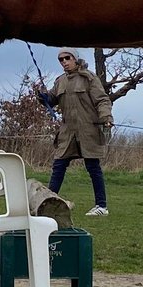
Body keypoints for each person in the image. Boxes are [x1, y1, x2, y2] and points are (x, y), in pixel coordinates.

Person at [36, 48, 114, 217]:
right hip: (67, 132)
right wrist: (43, 98)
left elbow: (102, 100)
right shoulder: (60, 81)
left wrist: (106, 117)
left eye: (67, 58)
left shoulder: (89, 78)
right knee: (58, 166)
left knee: (93, 167)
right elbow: (51, 98)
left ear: (75, 59)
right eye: (61, 59)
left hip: (88, 130)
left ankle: (101, 206)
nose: (64, 61)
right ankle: (48, 202)